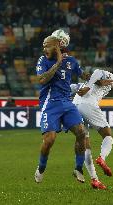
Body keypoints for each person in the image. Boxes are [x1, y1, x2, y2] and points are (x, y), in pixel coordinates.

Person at [34, 30, 88, 184]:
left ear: (58, 45)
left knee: (81, 132)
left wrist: (98, 78)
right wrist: (58, 62)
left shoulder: (71, 61)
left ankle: (78, 168)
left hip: (67, 102)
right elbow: (42, 80)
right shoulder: (43, 60)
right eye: (44, 46)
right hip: (50, 104)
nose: (44, 49)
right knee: (50, 139)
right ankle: (41, 167)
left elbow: (84, 75)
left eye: (47, 46)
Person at [71, 68, 113, 189]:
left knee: (85, 143)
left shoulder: (86, 83)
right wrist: (89, 86)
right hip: (88, 105)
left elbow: (71, 87)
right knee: (107, 134)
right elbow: (98, 72)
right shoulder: (111, 77)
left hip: (75, 107)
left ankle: (94, 179)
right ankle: (102, 158)